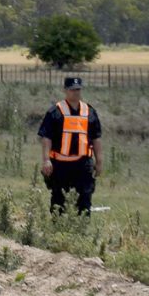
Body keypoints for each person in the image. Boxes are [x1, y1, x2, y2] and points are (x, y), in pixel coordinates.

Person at [38, 77, 103, 215]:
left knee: (85, 200)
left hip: (83, 164)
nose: (75, 92)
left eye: (78, 89)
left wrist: (99, 162)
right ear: (65, 90)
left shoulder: (89, 112)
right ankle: (57, 231)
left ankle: (81, 231)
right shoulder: (55, 112)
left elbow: (96, 138)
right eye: (72, 89)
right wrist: (46, 160)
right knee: (58, 200)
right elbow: (46, 138)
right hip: (60, 165)